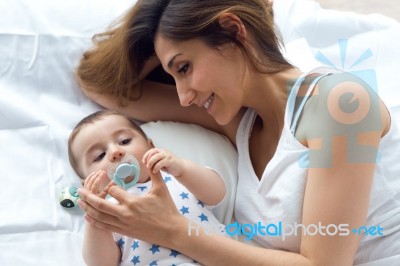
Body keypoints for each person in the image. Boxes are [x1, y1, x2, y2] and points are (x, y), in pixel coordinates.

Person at [75, 0, 400, 265]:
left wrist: (171, 230)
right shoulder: (239, 124)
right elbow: (103, 86)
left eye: (184, 68)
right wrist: (156, 26)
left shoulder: (337, 103)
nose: (183, 96)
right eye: (173, 75)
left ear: (233, 31)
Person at [68, 110, 226, 266]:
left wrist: (182, 168)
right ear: (86, 183)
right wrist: (94, 217)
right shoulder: (106, 211)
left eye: (124, 141)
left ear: (150, 147)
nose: (115, 152)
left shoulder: (174, 177)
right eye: (99, 156)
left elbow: (217, 194)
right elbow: (101, 263)